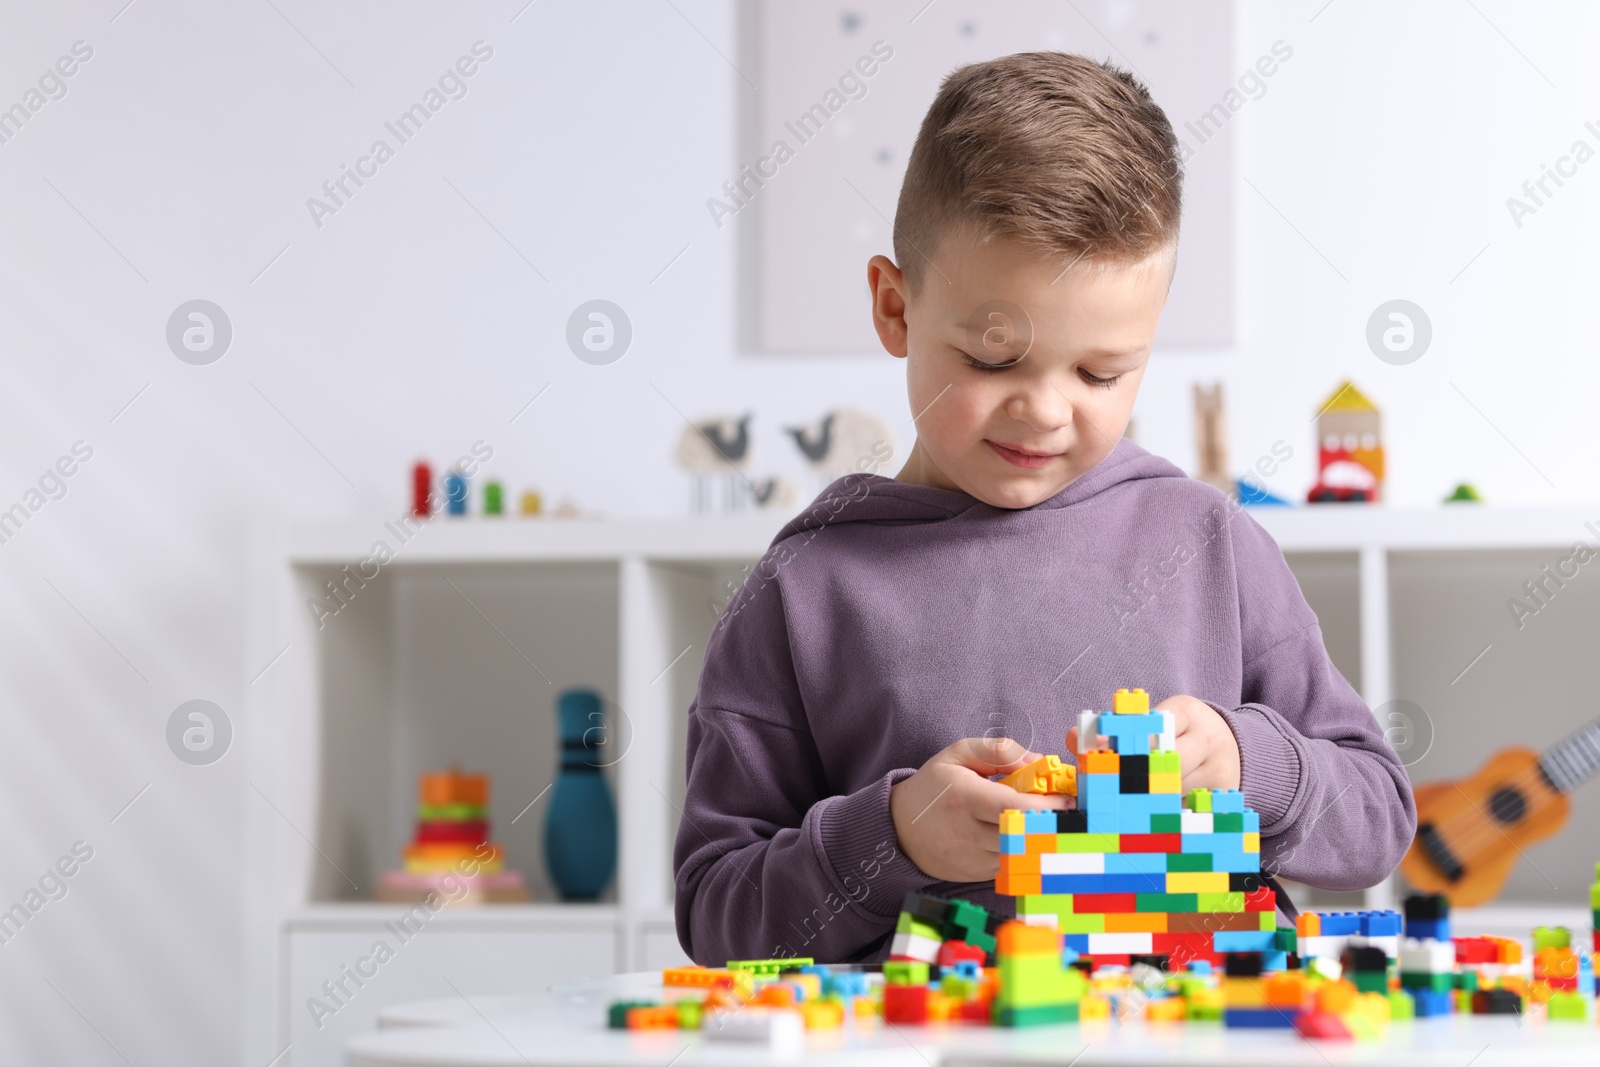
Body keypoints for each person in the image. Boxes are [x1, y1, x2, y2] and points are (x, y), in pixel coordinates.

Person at [674, 51, 1415, 965]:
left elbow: (1379, 816)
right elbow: (715, 912)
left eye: (1102, 372)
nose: (1046, 409)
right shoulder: (804, 590)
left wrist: (1242, 761)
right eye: (993, 359)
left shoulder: (1210, 542)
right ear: (895, 307)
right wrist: (893, 836)